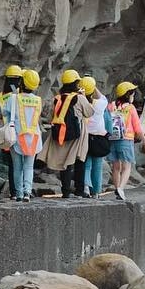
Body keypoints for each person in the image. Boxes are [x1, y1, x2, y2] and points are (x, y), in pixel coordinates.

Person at [43, 69, 93, 197]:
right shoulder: (80, 98)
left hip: (60, 134)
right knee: (79, 161)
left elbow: (50, 117)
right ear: (76, 83)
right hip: (77, 134)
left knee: (64, 163)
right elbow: (89, 112)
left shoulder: (57, 98)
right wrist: (86, 97)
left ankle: (65, 191)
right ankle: (79, 190)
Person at [4, 69, 43, 201]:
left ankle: (19, 194)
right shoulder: (38, 100)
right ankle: (27, 192)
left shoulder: (13, 98)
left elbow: (5, 113)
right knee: (29, 166)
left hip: (17, 137)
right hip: (33, 138)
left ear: (22, 82)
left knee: (17, 167)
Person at [106, 82, 143, 200]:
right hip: (126, 139)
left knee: (115, 167)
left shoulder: (111, 105)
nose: (133, 95)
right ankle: (121, 188)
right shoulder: (131, 108)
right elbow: (137, 128)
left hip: (113, 139)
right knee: (127, 166)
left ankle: (117, 187)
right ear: (128, 95)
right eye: (132, 93)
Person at [0, 64, 25, 198]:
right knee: (22, 164)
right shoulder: (19, 96)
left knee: (12, 165)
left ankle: (14, 192)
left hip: (7, 134)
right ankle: (22, 191)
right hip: (20, 133)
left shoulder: (1, 96)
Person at [81, 76, 110, 198]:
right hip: (99, 137)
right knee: (97, 166)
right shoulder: (100, 104)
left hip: (85, 137)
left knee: (86, 164)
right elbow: (103, 97)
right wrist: (93, 86)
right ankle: (96, 191)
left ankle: (86, 187)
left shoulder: (82, 103)